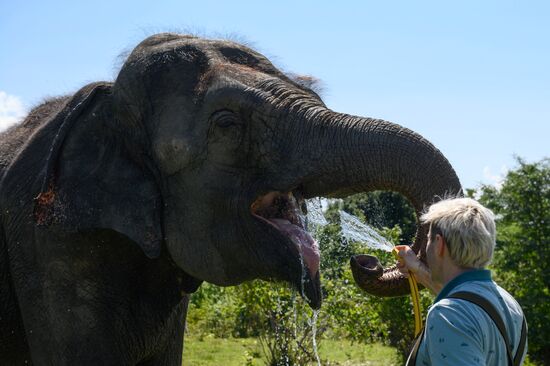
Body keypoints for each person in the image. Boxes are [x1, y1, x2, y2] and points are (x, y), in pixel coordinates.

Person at [395, 197, 527, 365]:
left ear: (439, 244)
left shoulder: (448, 315)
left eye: (428, 239)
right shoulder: (509, 304)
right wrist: (417, 268)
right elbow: (463, 300)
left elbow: (457, 310)